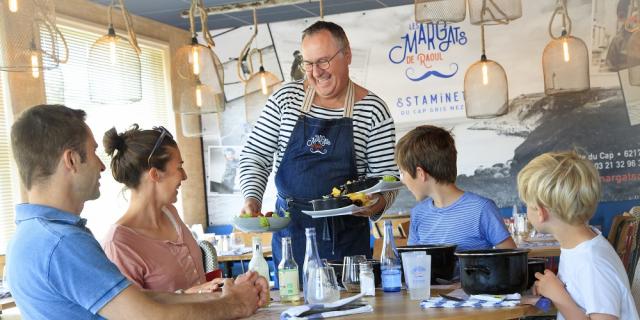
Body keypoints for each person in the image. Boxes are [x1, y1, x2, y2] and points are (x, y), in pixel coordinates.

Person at [7, 104, 268, 320]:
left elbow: (134, 296)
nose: (101, 166)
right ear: (71, 160)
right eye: (93, 152)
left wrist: (223, 295)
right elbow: (145, 315)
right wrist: (235, 305)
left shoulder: (31, 236)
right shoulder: (61, 243)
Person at [238, 21, 399, 282]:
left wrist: (376, 203)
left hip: (347, 242)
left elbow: (387, 180)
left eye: (323, 61)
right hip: (291, 234)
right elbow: (255, 156)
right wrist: (252, 198)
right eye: (308, 63)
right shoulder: (285, 100)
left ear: (347, 55)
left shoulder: (373, 110)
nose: (315, 72)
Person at [517, 151, 639, 320]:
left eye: (527, 205)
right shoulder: (581, 247)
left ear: (540, 212)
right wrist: (554, 289)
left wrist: (559, 296)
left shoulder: (591, 261)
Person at [101, 125, 219, 293]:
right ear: (155, 174)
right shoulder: (118, 244)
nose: (184, 175)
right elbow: (132, 313)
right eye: (179, 167)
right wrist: (189, 295)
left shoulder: (170, 213)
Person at [395, 125, 516, 251]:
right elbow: (412, 264)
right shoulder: (418, 214)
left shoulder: (482, 209)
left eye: (403, 173)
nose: (402, 180)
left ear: (421, 174)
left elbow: (511, 260)